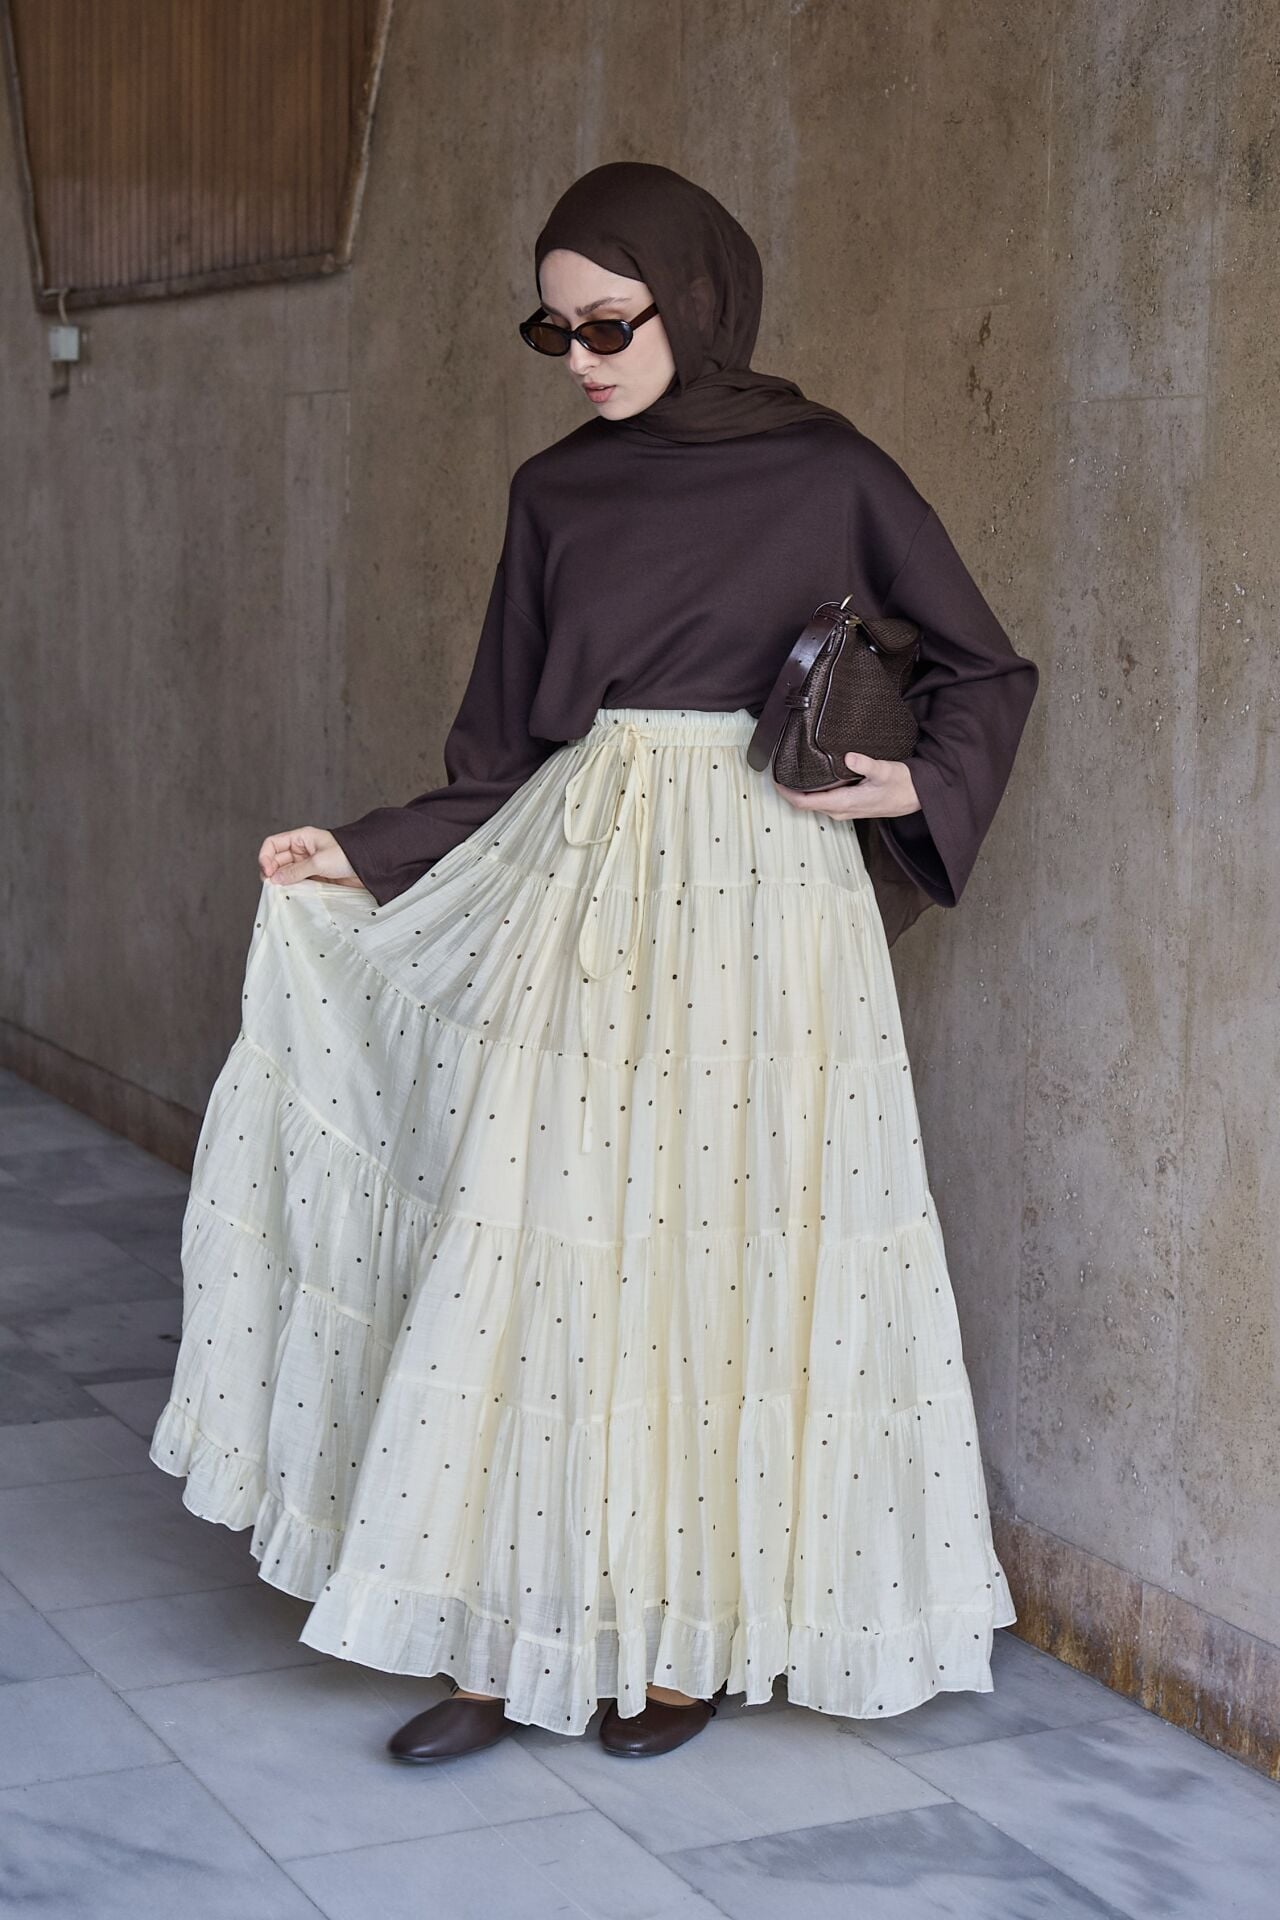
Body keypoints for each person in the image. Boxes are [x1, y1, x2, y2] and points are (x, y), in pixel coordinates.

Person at [150, 160, 1037, 1765]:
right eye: (554, 331)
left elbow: (983, 664)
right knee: (537, 1241)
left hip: (767, 897)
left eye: (608, 323)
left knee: (726, 1244)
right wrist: (365, 849)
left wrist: (911, 785)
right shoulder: (554, 492)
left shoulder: (832, 471)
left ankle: (684, 1646)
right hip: (581, 876)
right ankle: (501, 1638)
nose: (581, 358)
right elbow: (501, 746)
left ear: (693, 302)